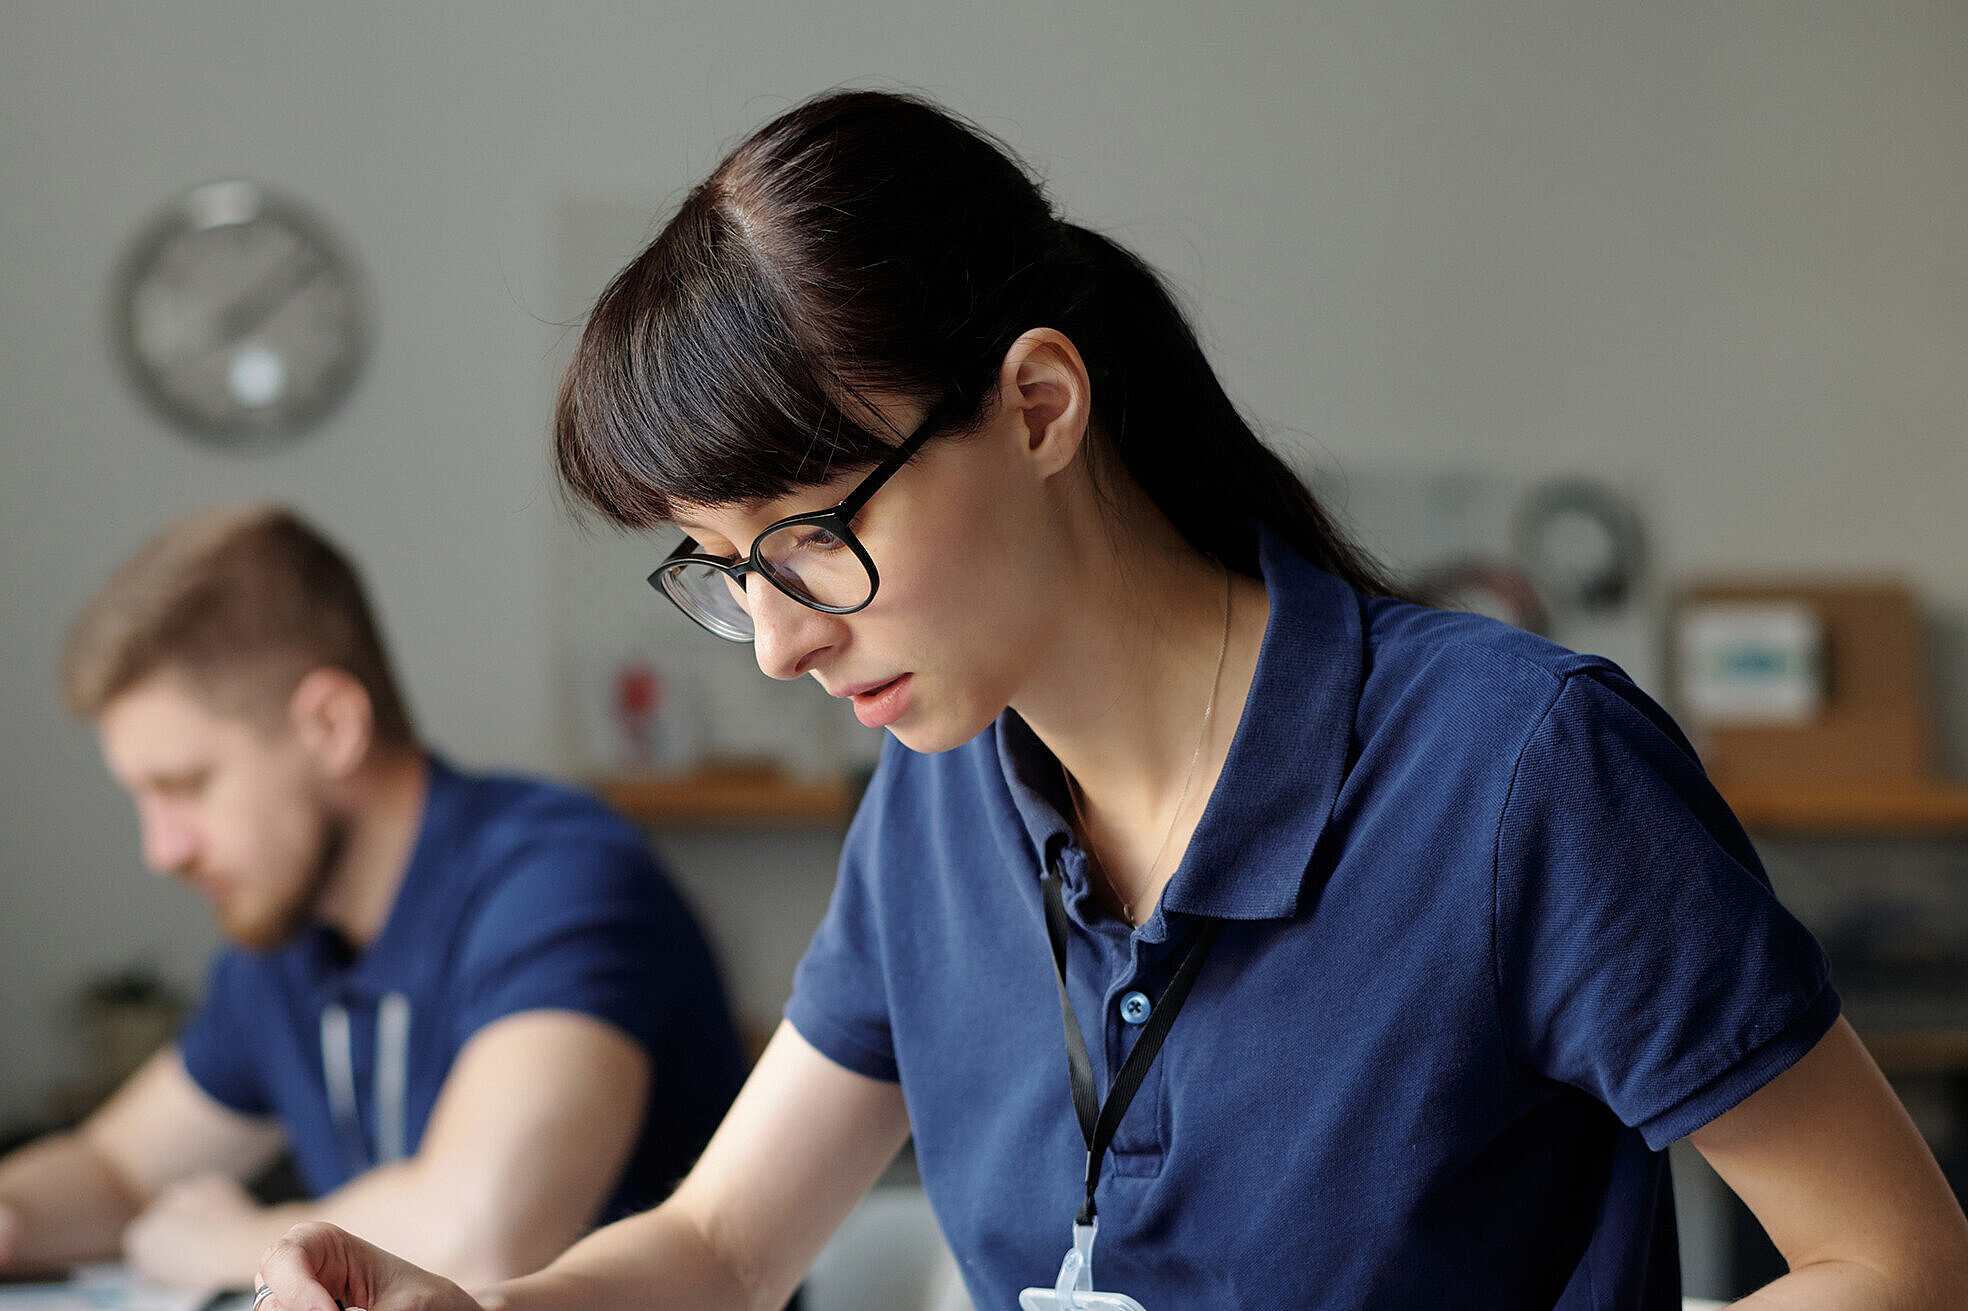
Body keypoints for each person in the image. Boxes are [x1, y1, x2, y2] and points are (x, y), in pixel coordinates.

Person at [257, 90, 1968, 1311]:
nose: (777, 643)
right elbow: (718, 1249)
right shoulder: (936, 793)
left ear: (1040, 404)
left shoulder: (1516, 773)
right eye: (720, 570)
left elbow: (1892, 1259)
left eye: (809, 541)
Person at [0, 505, 746, 1290]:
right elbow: (116, 1171)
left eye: (185, 786)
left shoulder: (562, 880)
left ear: (330, 724)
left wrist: (232, 1244)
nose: (163, 849)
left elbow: (484, 1232)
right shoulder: (287, 939)